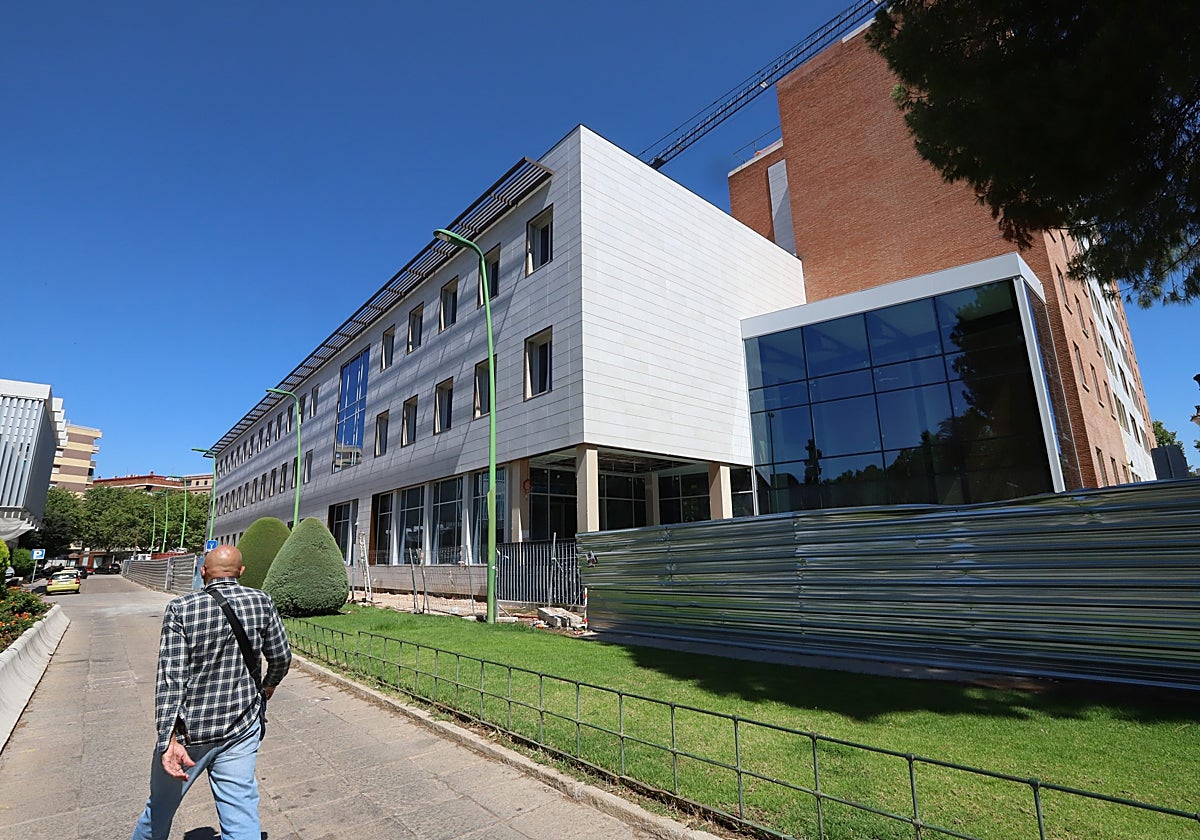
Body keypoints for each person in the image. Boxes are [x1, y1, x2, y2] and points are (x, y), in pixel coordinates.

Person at [131, 545, 291, 840]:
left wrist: (167, 737)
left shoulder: (182, 607)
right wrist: (269, 685)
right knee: (240, 811)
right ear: (242, 572)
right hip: (241, 727)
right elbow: (281, 657)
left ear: (202, 572)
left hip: (190, 734)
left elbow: (171, 677)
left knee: (159, 811)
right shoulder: (261, 601)